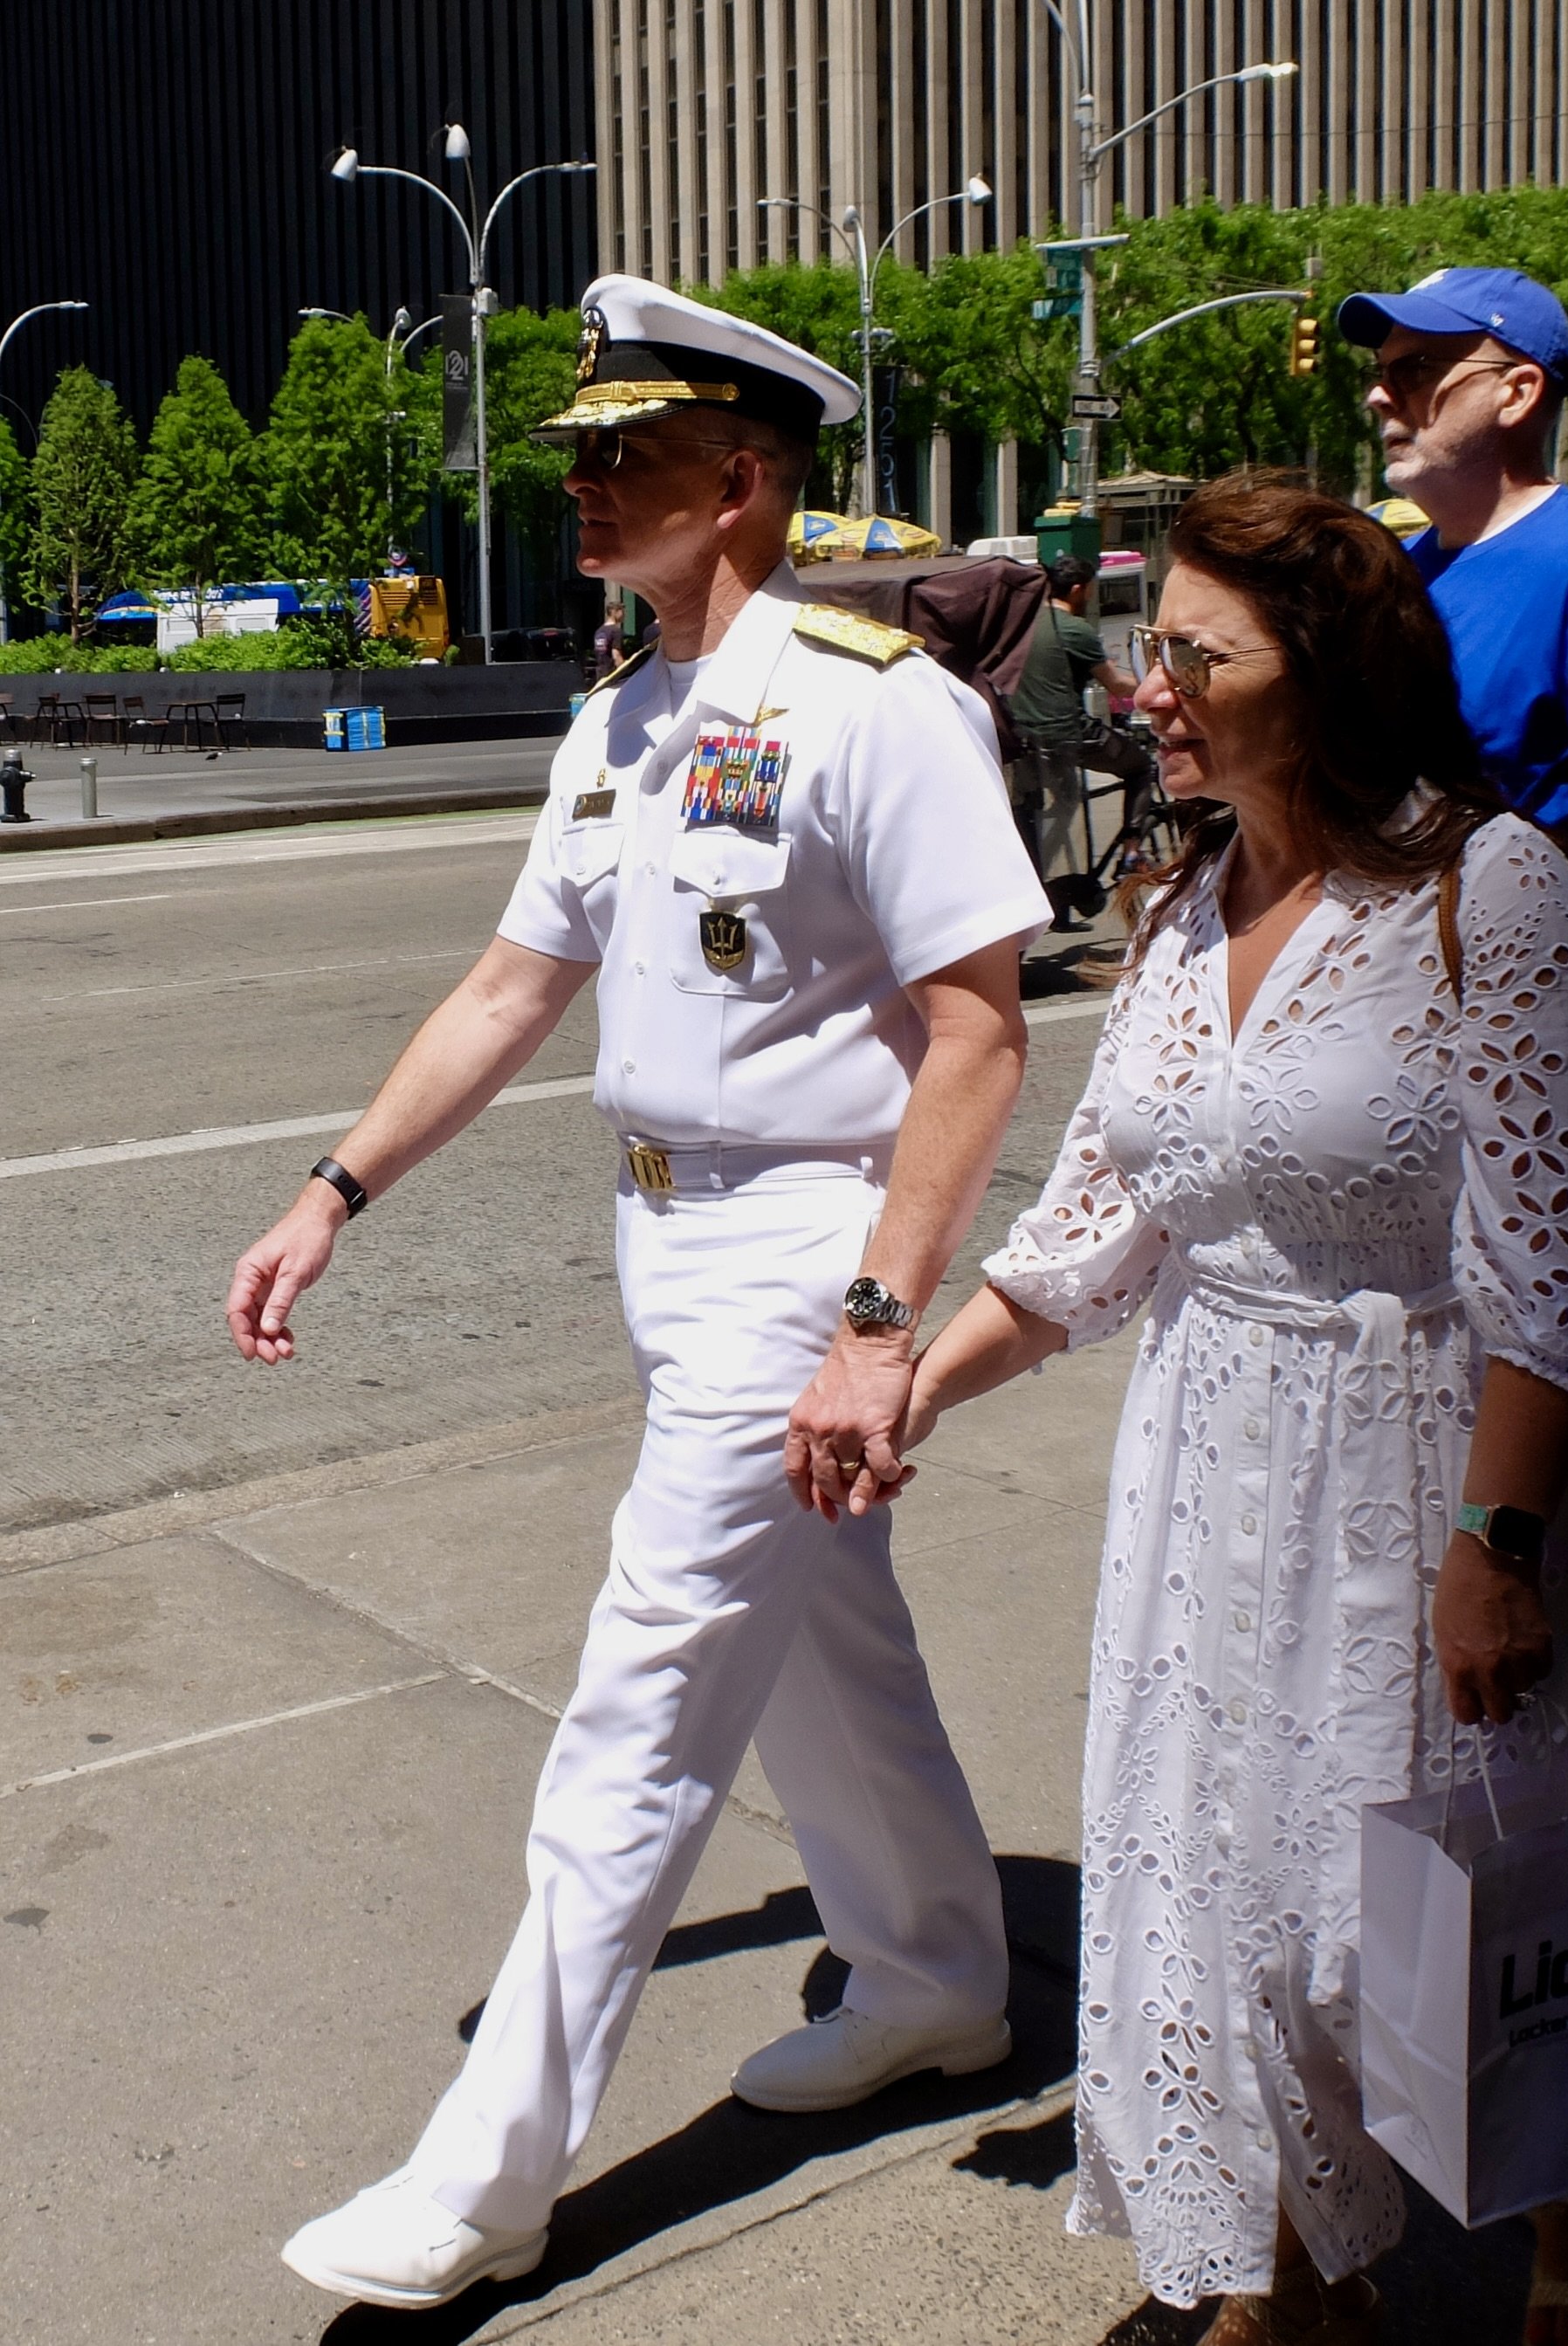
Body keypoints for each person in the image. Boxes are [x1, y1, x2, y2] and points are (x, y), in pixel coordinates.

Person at [226, 275, 1051, 2312]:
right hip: (658, 1234)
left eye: (627, 455)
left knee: (647, 1689)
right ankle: (942, 1969)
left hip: (800, 1243)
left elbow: (977, 1029)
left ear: (744, 474)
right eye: (579, 457)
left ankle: (486, 2171)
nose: (584, 486)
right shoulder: (626, 714)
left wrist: (879, 1314)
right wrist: (338, 1185)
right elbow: (515, 984)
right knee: (813, 1638)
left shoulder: (877, 699)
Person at [885, 478, 1568, 2344]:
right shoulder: (1179, 908)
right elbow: (1087, 1240)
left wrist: (1490, 1550)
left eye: (1189, 655)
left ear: (1321, 674)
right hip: (1206, 1459)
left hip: (1423, 1461)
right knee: (1230, 1881)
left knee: (1449, 1892)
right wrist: (892, 1387)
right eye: (1151, 648)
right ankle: (1294, 2270)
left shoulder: (1494, 895)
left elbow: (1558, 1282)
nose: (1147, 688)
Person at [1338, 265, 1568, 1107]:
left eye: (1416, 369)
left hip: (1545, 1038)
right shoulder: (1398, 574)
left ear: (1518, 391)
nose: (1381, 397)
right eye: (1381, 370)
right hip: (1397, 1034)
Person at [1008, 552, 1139, 911]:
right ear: (1079, 589)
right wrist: (1153, 682)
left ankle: (1051, 895)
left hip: (1023, 738)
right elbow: (1118, 686)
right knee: (1141, 766)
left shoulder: (1023, 624)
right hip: (1068, 735)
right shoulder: (1076, 629)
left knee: (1050, 809)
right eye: (1090, 592)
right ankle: (1131, 853)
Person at [590, 595, 626, 678]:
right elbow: (616, 655)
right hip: (612, 675)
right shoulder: (616, 631)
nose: (624, 615)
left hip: (600, 673)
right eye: (622, 611)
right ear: (615, 612)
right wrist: (624, 672)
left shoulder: (599, 631)